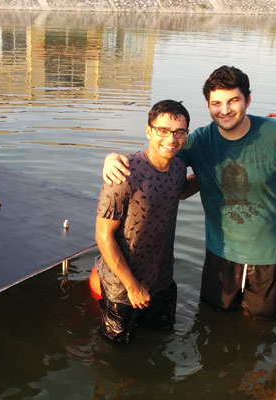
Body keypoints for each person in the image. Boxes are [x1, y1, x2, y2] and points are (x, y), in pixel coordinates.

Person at [103, 66, 276, 321]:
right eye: (216, 103)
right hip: (219, 254)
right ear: (208, 105)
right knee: (212, 321)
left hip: (271, 255)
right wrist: (115, 158)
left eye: (233, 101)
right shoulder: (199, 140)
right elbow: (159, 153)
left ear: (248, 100)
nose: (224, 110)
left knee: (261, 326)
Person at [95, 99, 196, 344]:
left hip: (162, 279)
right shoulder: (123, 173)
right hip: (122, 287)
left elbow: (179, 191)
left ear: (185, 135)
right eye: (162, 130)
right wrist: (132, 287)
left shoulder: (178, 168)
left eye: (178, 132)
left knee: (162, 340)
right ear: (148, 130)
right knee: (116, 351)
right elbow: (103, 236)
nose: (171, 139)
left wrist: (212, 175)